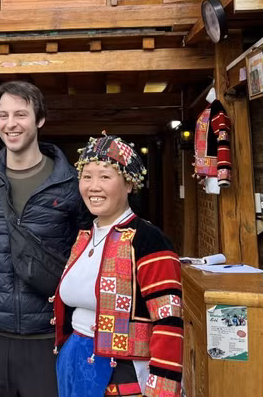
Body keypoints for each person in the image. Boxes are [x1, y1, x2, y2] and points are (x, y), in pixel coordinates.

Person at [0, 81, 91, 396]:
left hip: (45, 336)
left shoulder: (70, 183)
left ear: (40, 119)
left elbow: (91, 247)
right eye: (3, 115)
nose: (10, 124)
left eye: (20, 114)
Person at [52, 134, 183, 397]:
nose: (93, 186)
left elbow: (168, 319)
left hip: (121, 372)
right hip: (74, 360)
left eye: (105, 176)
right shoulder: (84, 236)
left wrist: (163, 388)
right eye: (86, 177)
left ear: (129, 184)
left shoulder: (148, 239)